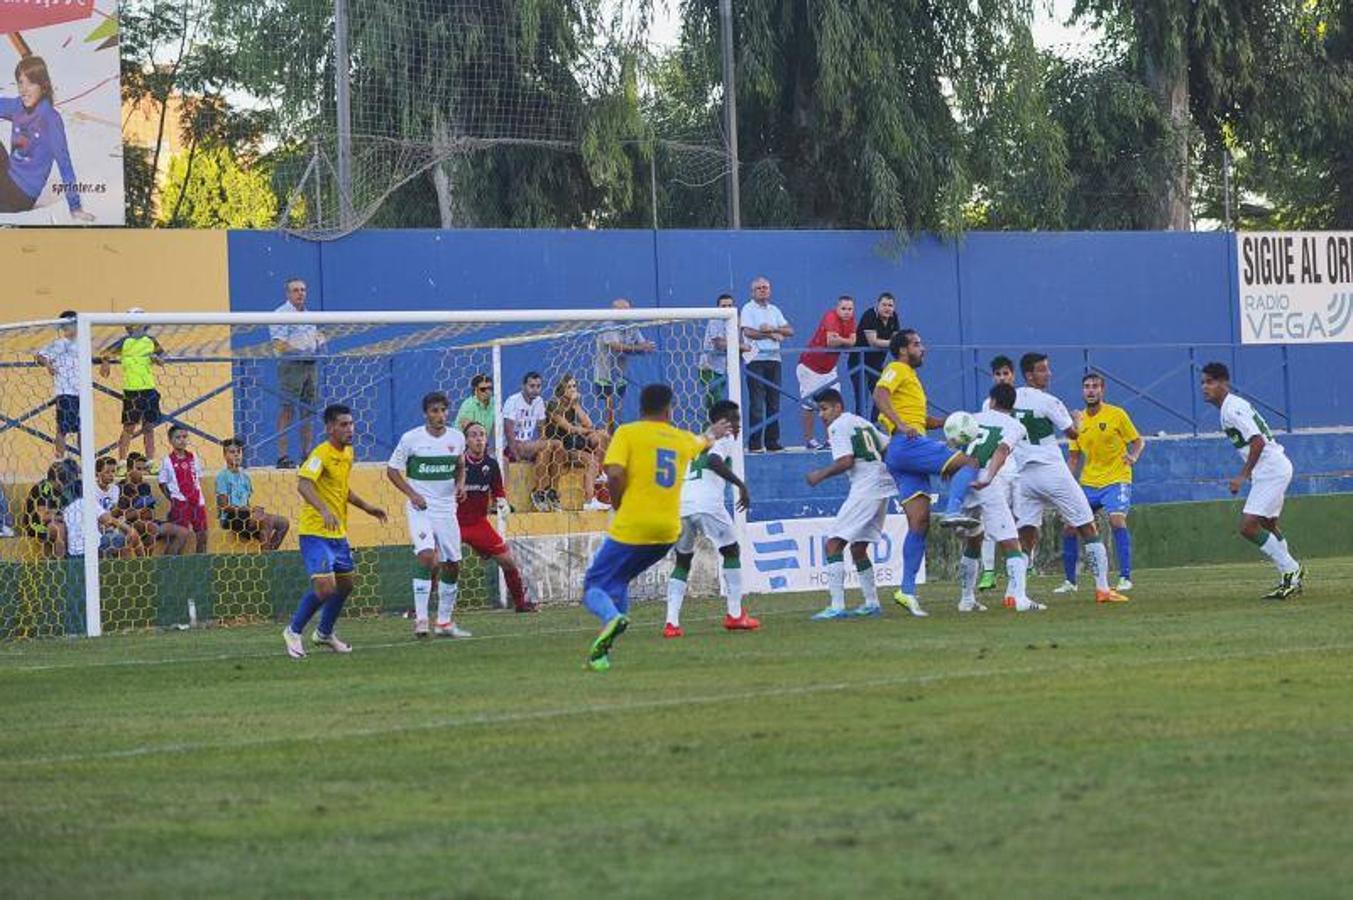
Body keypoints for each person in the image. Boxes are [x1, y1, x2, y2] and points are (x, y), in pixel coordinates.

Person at [581, 383, 732, 672]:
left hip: (633, 526)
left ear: (640, 408)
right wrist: (716, 430)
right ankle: (603, 651)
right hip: (666, 533)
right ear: (669, 409)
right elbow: (704, 440)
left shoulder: (627, 433)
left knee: (594, 585)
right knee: (619, 579)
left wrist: (618, 504)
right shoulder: (680, 438)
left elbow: (613, 473)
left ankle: (612, 618)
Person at [873, 330, 982, 617]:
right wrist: (900, 423)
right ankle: (953, 509)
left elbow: (920, 420)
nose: (924, 348)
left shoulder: (912, 380)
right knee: (970, 462)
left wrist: (948, 421)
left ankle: (906, 591)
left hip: (904, 454)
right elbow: (879, 394)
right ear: (902, 349)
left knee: (919, 523)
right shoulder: (897, 368)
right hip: (907, 445)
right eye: (917, 344)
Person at [1011, 353, 1127, 604]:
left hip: (1024, 476)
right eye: (1043, 370)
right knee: (1087, 525)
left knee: (1026, 533)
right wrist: (1076, 419)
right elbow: (1073, 432)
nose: (1049, 374)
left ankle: (1013, 594)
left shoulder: (1009, 398)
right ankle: (1103, 589)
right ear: (1030, 375)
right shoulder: (1050, 401)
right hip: (1051, 471)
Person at [283, 403, 388, 658]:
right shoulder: (321, 453)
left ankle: (324, 633)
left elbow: (342, 490)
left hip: (337, 532)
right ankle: (293, 631)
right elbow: (304, 485)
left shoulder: (348, 453)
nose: (349, 429)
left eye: (351, 424)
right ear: (330, 428)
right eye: (343, 424)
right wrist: (324, 510)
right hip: (315, 532)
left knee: (346, 584)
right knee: (325, 589)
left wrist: (367, 507)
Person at [1201, 362, 1304, 599]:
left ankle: (1292, 570)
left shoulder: (1231, 409)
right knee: (1267, 524)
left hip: (1271, 470)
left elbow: (1257, 442)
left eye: (1210, 382)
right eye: (1203, 382)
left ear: (1223, 383)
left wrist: (1242, 476)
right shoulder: (1230, 406)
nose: (1205, 387)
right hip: (1272, 468)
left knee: (1248, 527)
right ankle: (1289, 577)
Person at [664, 400, 757, 637]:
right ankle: (735, 615)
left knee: (683, 560)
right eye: (732, 420)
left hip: (681, 505)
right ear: (719, 422)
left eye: (738, 419)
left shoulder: (696, 441)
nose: (737, 425)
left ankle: (671, 623)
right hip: (706, 504)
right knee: (731, 551)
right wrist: (741, 485)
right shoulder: (723, 440)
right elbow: (715, 462)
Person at [949, 384, 1043, 613]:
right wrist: (989, 477)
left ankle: (966, 599)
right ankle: (1020, 598)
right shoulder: (1015, 426)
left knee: (974, 539)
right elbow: (1001, 450)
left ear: (991, 400)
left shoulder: (972, 417)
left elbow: (952, 445)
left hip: (963, 479)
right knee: (1011, 540)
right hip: (987, 483)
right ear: (1013, 405)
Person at [804, 389, 897, 620]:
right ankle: (872, 602)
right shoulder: (861, 422)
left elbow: (845, 461)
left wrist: (820, 475)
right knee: (858, 547)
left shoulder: (837, 427)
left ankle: (836, 606)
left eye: (825, 409)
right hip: (883, 485)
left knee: (834, 543)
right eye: (819, 410)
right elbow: (887, 447)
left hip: (866, 487)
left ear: (838, 407)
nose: (822, 415)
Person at [386, 391, 470, 639]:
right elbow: (392, 471)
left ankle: (443, 622)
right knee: (425, 557)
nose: (440, 415)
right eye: (434, 411)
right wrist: (412, 494)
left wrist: (460, 485)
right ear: (426, 413)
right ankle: (421, 619)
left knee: (452, 564)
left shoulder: (456, 438)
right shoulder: (411, 439)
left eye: (443, 410)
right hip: (420, 508)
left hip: (446, 508)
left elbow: (460, 466)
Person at [1055, 373, 1144, 594]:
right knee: (1070, 526)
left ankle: (1125, 577)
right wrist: (1064, 483)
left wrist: (1133, 456)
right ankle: (1070, 581)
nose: (1091, 390)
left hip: (1116, 479)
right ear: (1082, 391)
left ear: (1102, 390)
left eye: (1095, 386)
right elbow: (1074, 457)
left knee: (1117, 521)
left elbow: (1138, 441)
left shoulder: (1116, 414)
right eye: (1087, 387)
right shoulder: (1078, 422)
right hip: (1089, 482)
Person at [0, 56, 95, 220]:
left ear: (43, 86)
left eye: (31, 83)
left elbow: (65, 165)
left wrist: (75, 207)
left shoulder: (51, 120)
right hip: (7, 175)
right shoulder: (17, 106)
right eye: (21, 82)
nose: (24, 89)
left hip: (21, 195)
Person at [459, 422, 538, 613]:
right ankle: (419, 608)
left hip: (479, 523)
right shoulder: (458, 463)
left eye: (482, 434)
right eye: (473, 435)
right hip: (454, 523)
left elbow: (498, 491)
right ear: (466, 440)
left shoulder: (491, 465)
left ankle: (520, 604)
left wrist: (502, 503)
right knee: (437, 562)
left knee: (507, 561)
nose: (478, 438)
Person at [98, 308, 165, 465]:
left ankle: (150, 461)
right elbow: (105, 353)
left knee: (149, 427)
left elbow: (163, 358)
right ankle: (121, 461)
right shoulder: (124, 342)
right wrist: (105, 363)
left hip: (148, 388)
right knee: (129, 428)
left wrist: (157, 359)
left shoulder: (151, 341)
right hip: (131, 390)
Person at [270, 278, 325, 469]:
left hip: (310, 365)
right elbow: (278, 342)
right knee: (287, 409)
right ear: (287, 294)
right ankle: (283, 456)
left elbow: (315, 336)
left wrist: (320, 342)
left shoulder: (309, 315)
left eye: (303, 289)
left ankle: (306, 454)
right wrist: (299, 351)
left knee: (308, 410)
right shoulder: (280, 314)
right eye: (295, 290)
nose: (300, 293)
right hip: (291, 366)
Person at [977, 356, 1020, 591]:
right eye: (998, 374)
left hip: (1023, 470)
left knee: (1022, 521)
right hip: (1000, 470)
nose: (1003, 378)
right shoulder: (988, 405)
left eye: (1006, 373)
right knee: (991, 520)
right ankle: (989, 571)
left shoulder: (1024, 400)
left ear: (1013, 375)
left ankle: (1025, 566)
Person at [740, 276, 793, 452]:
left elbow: (790, 330)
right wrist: (771, 335)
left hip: (774, 359)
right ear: (752, 292)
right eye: (759, 288)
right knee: (756, 403)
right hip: (756, 359)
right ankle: (755, 443)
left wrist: (771, 329)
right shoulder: (748, 308)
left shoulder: (774, 310)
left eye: (766, 287)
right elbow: (748, 332)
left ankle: (772, 442)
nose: (763, 290)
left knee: (774, 402)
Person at [503, 371, 568, 512]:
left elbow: (541, 428)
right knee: (557, 444)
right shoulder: (513, 401)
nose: (535, 389)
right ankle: (541, 492)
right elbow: (508, 431)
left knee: (549, 449)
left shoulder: (539, 402)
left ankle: (548, 492)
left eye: (538, 386)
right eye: (532, 386)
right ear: (523, 386)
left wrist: (543, 440)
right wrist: (516, 454)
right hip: (516, 446)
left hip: (531, 445)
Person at [797, 295, 856, 450]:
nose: (847, 312)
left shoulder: (851, 320)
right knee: (809, 404)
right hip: (810, 367)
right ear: (837, 308)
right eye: (843, 308)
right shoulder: (830, 317)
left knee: (834, 404)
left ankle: (832, 439)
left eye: (850, 309)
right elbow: (831, 341)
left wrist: (842, 341)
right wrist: (846, 341)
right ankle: (810, 440)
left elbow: (852, 342)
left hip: (829, 369)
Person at [544, 375, 611, 511]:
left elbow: (588, 423)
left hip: (574, 444)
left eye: (574, 386)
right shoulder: (553, 405)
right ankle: (589, 500)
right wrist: (588, 430)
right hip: (561, 447)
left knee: (602, 435)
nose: (573, 389)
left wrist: (575, 405)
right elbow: (570, 428)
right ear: (561, 389)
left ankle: (599, 473)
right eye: (569, 387)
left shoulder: (573, 405)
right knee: (591, 461)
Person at [216, 438, 289, 551]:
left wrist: (253, 512)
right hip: (231, 518)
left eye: (238, 452)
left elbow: (246, 502)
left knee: (283, 523)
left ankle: (270, 553)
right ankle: (267, 558)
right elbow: (224, 506)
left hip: (245, 514)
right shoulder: (222, 476)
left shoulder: (245, 477)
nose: (236, 455)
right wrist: (250, 511)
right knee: (266, 521)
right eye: (232, 452)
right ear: (225, 455)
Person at [594, 298, 656, 432]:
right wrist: (639, 348)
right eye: (624, 311)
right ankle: (608, 437)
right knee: (608, 409)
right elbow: (616, 347)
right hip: (605, 374)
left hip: (621, 374)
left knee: (620, 409)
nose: (628, 314)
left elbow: (642, 344)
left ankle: (619, 434)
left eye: (629, 310)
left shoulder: (631, 325)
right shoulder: (608, 325)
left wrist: (646, 347)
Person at [119, 451, 190, 555]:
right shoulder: (120, 488)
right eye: (138, 469)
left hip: (149, 521)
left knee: (183, 532)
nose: (142, 472)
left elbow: (150, 512)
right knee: (151, 528)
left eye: (144, 469)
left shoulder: (145, 486)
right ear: (129, 470)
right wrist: (139, 513)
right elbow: (122, 516)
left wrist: (144, 512)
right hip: (132, 524)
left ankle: (166, 563)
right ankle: (146, 563)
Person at [34, 310, 79, 460]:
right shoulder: (58, 344)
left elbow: (103, 353)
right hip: (65, 391)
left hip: (83, 392)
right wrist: (48, 364)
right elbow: (39, 355)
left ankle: (85, 461)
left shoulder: (85, 343)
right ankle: (59, 460)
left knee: (83, 429)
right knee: (62, 428)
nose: (69, 328)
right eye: (66, 325)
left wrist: (105, 361)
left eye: (72, 324)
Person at [157, 425, 208, 554]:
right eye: (178, 437)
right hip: (180, 503)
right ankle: (170, 565)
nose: (182, 440)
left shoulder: (194, 457)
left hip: (197, 502)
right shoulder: (167, 461)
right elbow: (162, 483)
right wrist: (174, 498)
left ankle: (201, 564)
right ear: (170, 440)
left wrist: (197, 494)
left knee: (203, 535)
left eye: (184, 437)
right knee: (181, 536)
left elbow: (198, 478)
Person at [852, 292, 899, 417]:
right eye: (884, 305)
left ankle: (874, 427)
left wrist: (895, 343)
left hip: (876, 365)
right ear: (877, 305)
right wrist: (893, 343)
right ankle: (861, 431)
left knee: (882, 397)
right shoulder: (869, 315)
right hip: (858, 362)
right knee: (862, 401)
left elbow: (895, 340)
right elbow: (873, 342)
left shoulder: (894, 317)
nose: (887, 308)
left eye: (890, 305)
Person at [698, 294, 748, 410]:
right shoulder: (716, 320)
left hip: (722, 369)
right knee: (716, 403)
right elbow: (719, 344)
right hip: (708, 369)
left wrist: (739, 327)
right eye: (723, 306)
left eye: (730, 305)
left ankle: (708, 427)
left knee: (712, 404)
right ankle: (712, 427)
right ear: (718, 308)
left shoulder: (734, 322)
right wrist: (741, 346)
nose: (727, 309)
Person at [91, 456, 144, 558]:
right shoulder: (91, 489)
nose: (111, 475)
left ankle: (143, 565)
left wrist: (121, 517)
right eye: (107, 472)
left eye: (113, 471)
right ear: (97, 473)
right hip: (96, 529)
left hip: (111, 525)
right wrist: (121, 525)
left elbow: (113, 511)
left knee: (132, 537)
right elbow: (100, 517)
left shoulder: (115, 489)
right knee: (127, 536)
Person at [22, 462, 70, 557]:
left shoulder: (64, 490)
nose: (65, 485)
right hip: (35, 524)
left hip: (56, 520)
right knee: (59, 529)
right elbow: (43, 517)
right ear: (53, 479)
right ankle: (60, 565)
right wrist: (64, 517)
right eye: (63, 482)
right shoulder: (42, 488)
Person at [456, 373, 497, 439]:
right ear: (475, 390)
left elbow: (497, 428)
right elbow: (468, 428)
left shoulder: (495, 403)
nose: (487, 391)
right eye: (483, 389)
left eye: (489, 388)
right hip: (464, 443)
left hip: (482, 443)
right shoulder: (468, 405)